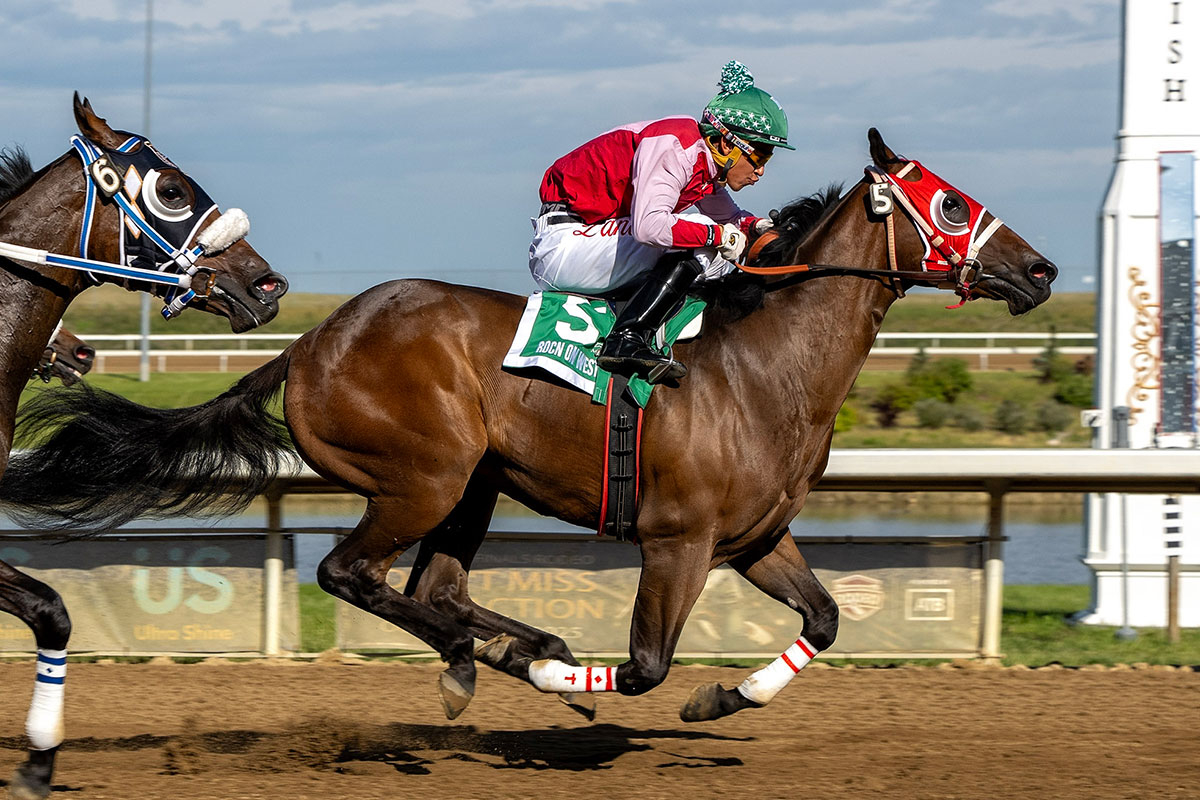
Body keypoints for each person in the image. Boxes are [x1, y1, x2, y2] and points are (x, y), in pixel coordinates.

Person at [529, 60, 792, 383]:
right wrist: (718, 235)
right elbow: (649, 226)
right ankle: (627, 338)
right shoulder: (675, 146)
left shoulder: (703, 164)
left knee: (718, 245)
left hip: (595, 238)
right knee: (705, 242)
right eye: (759, 157)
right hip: (566, 243)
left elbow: (731, 219)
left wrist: (758, 228)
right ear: (726, 144)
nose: (761, 171)